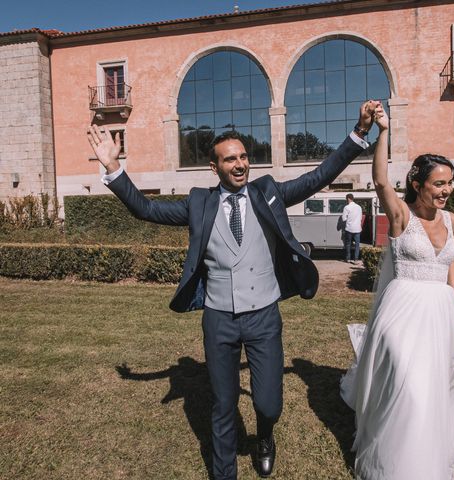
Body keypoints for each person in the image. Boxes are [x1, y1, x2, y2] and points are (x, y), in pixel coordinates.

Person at [86, 101, 375, 480]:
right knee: (223, 404)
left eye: (242, 157)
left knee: (269, 403)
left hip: (264, 317)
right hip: (219, 318)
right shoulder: (198, 203)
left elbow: (317, 177)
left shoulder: (266, 192)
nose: (239, 164)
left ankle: (265, 437)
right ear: (214, 166)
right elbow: (147, 209)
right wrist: (113, 167)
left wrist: (359, 132)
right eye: (229, 159)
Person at [340, 102, 454, 479]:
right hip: (403, 308)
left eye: (450, 182)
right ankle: (394, 458)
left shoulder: (453, 220)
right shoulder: (401, 215)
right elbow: (379, 181)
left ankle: (425, 450)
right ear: (417, 184)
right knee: (407, 382)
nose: (447, 190)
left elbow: (451, 266)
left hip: (441, 310)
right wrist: (383, 132)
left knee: (432, 385)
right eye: (439, 183)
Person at [341, 193, 363, 263]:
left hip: (349, 229)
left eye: (346, 199)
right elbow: (361, 218)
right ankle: (356, 260)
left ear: (348, 199)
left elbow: (344, 219)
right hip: (357, 229)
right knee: (357, 245)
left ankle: (348, 259)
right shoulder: (359, 207)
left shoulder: (346, 207)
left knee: (348, 244)